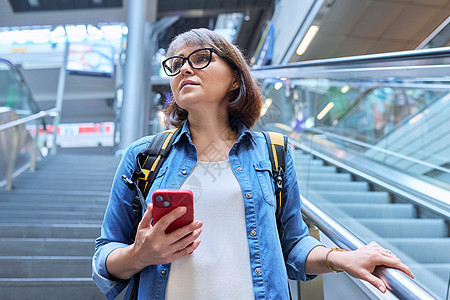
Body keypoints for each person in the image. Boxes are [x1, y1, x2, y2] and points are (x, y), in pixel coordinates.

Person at [92, 28, 414, 300]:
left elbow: (294, 244)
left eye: (200, 58)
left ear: (235, 78)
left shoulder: (273, 151)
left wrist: (341, 258)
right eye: (175, 65)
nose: (184, 70)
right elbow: (105, 254)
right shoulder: (144, 155)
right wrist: (139, 255)